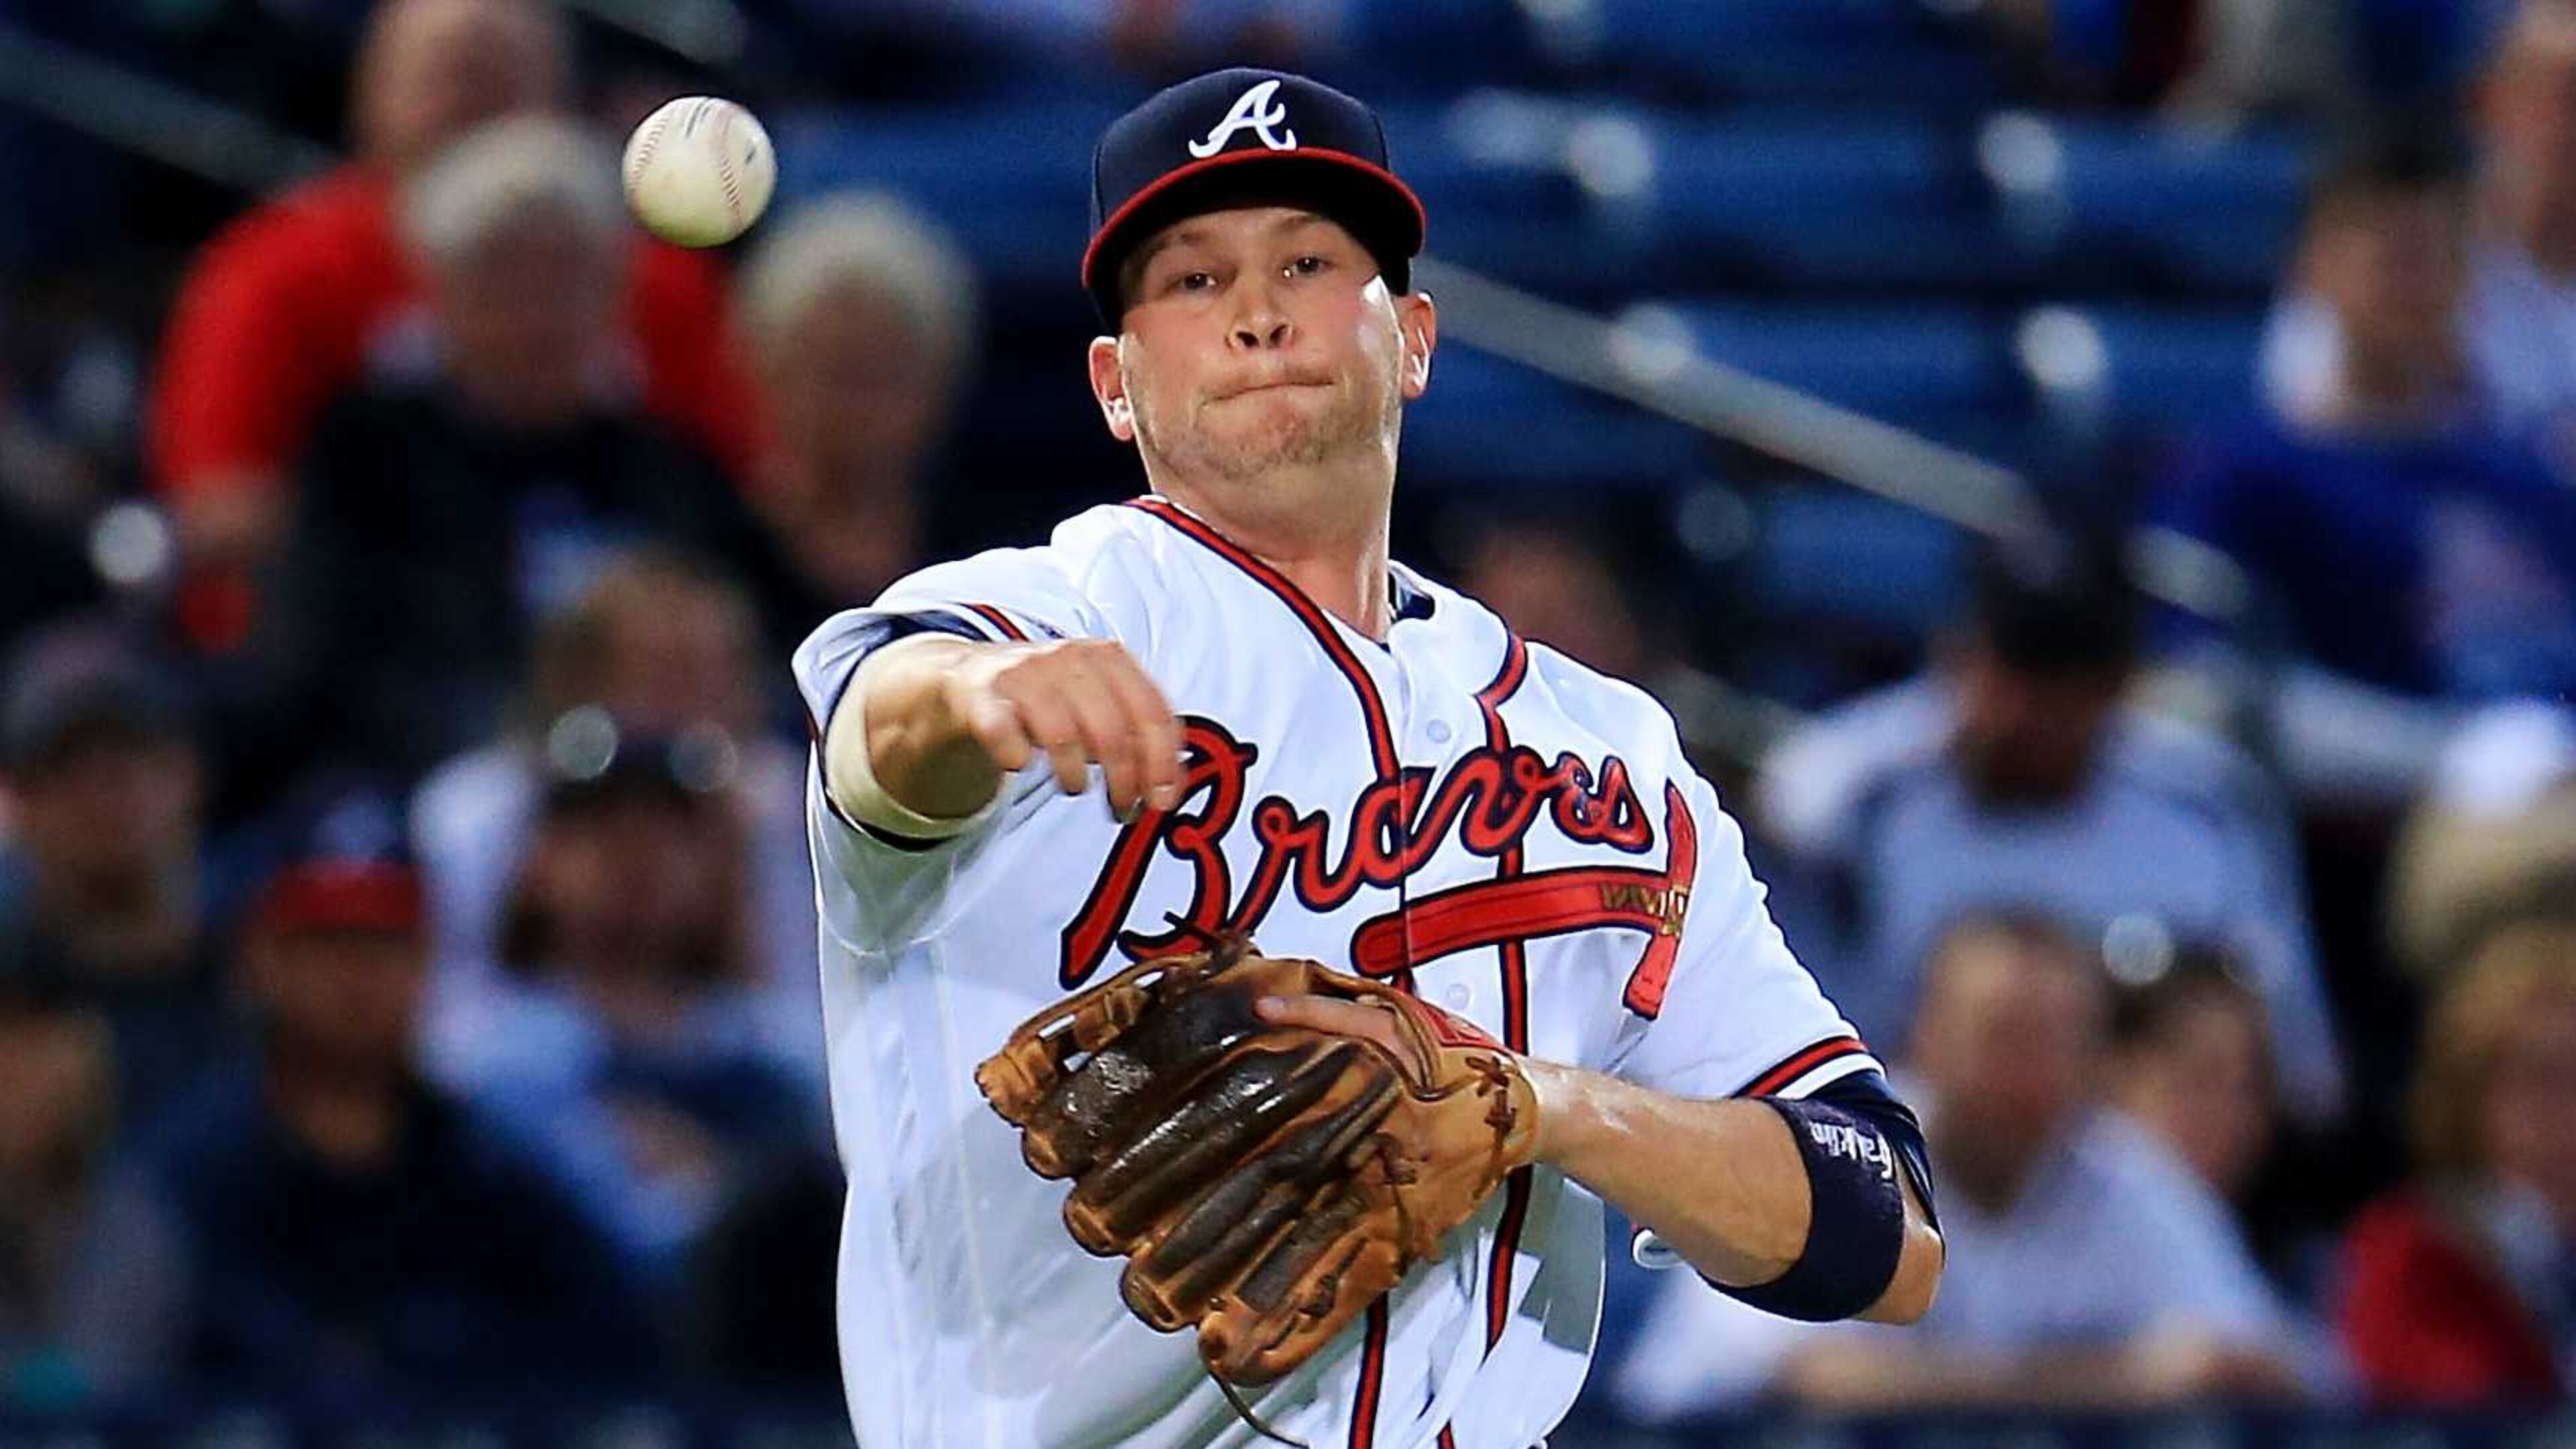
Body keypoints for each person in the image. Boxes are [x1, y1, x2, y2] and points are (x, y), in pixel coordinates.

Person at [792, 69, 1943, 1449]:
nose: (1259, 310)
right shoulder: (1070, 612)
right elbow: (876, 731)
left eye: (1310, 261)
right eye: (1195, 279)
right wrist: (976, 692)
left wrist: (1541, 1110)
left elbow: (1886, 1232)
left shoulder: (1609, 755)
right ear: (1115, 383)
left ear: (1412, 338)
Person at [145, 0, 763, 649]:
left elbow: (742, 490)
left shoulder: (660, 284)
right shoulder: (274, 274)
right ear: (369, 98)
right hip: (373, 643)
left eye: (499, 81)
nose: (471, 113)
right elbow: (218, 508)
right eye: (444, 80)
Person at [239, 116, 797, 788]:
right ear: (440, 295)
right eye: (505, 282)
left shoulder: (669, 467)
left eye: (564, 280)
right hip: (427, 786)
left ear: (613, 296)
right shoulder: (365, 458)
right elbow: (324, 670)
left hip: (671, 794)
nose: (537, 318)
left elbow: (758, 645)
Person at [72, 785, 658, 1399]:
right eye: (326, 943)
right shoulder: (178, 1183)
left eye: (387, 942)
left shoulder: (500, 1179)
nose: (360, 976)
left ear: (429, 961)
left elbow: (627, 1368)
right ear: (256, 960)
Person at [1611, 915, 2298, 1421]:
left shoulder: (2124, 1177)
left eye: (2058, 1042)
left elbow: (2256, 1365)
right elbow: (1808, 1375)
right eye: (2005, 1037)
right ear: (1926, 1040)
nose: (2029, 1076)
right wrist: (2117, 1377)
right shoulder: (1837, 1152)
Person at [1758, 531, 2341, 1121]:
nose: (2027, 711)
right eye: (2012, 670)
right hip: (1916, 1155)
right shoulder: (1844, 797)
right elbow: (1793, 1058)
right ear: (1959, 656)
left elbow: (2297, 1072)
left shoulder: (2210, 804)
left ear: (2120, 684)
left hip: (2150, 1174)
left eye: (2065, 684)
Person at [410, 548, 822, 1082]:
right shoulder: (476, 809)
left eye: (716, 675)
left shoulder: (778, 799)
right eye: (666, 675)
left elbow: (802, 1022)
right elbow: (442, 1028)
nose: (692, 706)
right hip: (532, 1068)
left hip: (715, 1062)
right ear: (575, 680)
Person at [2338, 918, 2576, 1407]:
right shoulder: (2412, 1252)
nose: (2567, 1107)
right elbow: (2461, 1408)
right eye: (2540, 1075)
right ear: (2469, 1090)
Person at [739, 194, 981, 612]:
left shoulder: (984, 561)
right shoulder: (715, 551)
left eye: (883, 378)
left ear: (938, 384)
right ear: (769, 371)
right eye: (833, 375)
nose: (857, 410)